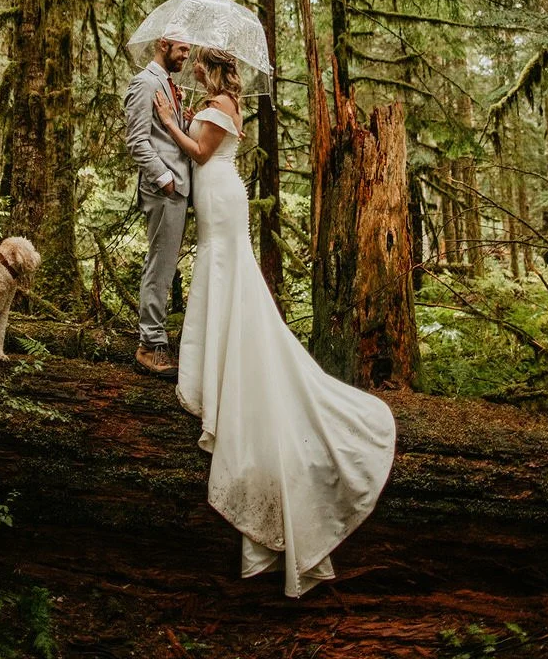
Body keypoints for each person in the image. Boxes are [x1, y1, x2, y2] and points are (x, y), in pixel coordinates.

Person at [154, 47, 396, 597]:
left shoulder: (219, 106)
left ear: (212, 70)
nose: (191, 66)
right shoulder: (218, 100)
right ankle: (220, 362)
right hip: (219, 197)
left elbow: (198, 149)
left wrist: (171, 121)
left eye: (199, 64)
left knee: (223, 264)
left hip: (220, 197)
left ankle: (231, 369)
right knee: (221, 266)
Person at [124, 36, 192, 379]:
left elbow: (166, 137)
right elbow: (136, 141)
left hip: (177, 189)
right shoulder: (145, 83)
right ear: (164, 44)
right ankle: (150, 346)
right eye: (182, 49)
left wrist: (185, 122)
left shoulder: (167, 84)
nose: (186, 56)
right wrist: (165, 178)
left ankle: (155, 339)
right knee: (160, 266)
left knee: (165, 266)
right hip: (164, 190)